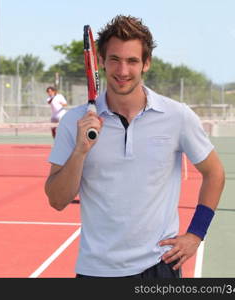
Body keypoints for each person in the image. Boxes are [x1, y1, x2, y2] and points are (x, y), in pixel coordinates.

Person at [45, 15, 225, 278]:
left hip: (159, 268)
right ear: (102, 62)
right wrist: (81, 150)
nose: (123, 71)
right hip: (95, 271)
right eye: (115, 59)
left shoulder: (177, 116)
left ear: (146, 64)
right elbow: (57, 200)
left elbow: (215, 173)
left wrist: (196, 234)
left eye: (132, 61)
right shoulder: (74, 121)